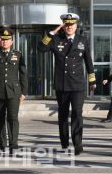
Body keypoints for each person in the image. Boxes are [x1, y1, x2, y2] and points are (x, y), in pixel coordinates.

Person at [37, 13, 96, 155]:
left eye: (72, 24)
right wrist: (51, 33)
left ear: (76, 26)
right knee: (63, 115)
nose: (69, 27)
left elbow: (88, 61)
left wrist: (92, 80)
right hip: (62, 84)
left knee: (77, 113)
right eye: (67, 24)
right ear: (63, 26)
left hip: (77, 85)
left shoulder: (83, 40)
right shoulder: (56, 39)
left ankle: (78, 144)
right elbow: (41, 48)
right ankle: (64, 142)